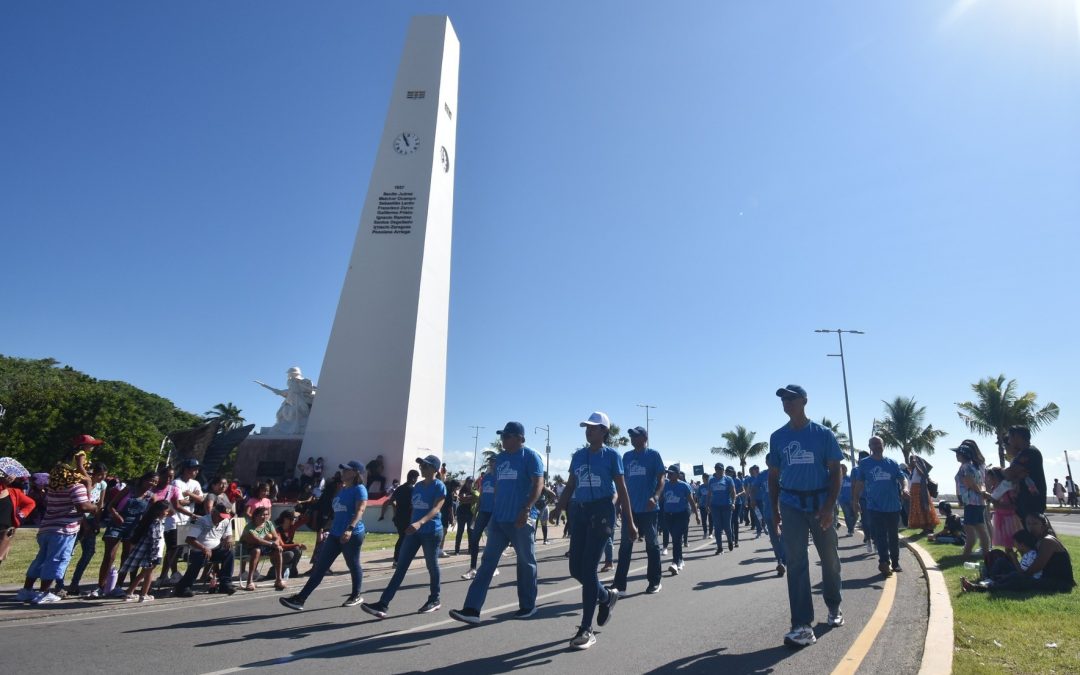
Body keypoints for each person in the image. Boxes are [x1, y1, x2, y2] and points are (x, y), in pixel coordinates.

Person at [551, 411, 637, 651]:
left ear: (604, 431)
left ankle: (586, 629)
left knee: (588, 568)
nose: (589, 431)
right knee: (575, 568)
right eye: (587, 427)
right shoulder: (578, 456)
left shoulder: (612, 456)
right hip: (580, 510)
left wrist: (630, 523)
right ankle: (606, 596)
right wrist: (558, 508)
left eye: (594, 427)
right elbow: (570, 485)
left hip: (602, 511)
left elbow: (622, 489)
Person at [768, 384, 845, 648]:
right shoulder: (777, 437)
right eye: (783, 399)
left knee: (829, 558)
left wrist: (829, 506)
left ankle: (834, 606)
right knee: (796, 562)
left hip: (820, 503)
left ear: (804, 401)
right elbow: (774, 476)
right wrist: (775, 509)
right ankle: (802, 625)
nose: (785, 403)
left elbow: (836, 471)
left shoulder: (823, 435)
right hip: (790, 504)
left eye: (790, 398)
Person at [449, 421, 545, 625]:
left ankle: (528, 605)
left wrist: (526, 508)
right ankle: (472, 609)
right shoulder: (500, 460)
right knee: (487, 564)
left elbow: (538, 484)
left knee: (526, 563)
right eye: (502, 436)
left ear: (520, 438)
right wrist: (492, 513)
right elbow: (499, 488)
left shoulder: (531, 457)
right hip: (499, 520)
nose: (503, 439)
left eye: (507, 436)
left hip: (521, 519)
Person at [362, 454, 446, 618]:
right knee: (401, 567)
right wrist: (411, 523)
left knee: (432, 565)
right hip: (414, 532)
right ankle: (383, 604)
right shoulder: (418, 486)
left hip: (431, 532)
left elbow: (436, 509)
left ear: (434, 469)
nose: (422, 468)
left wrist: (420, 523)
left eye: (425, 466)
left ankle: (434, 599)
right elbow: (415, 508)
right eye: (421, 465)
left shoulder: (439, 486)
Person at [280, 461, 368, 609]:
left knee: (353, 564)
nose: (342, 472)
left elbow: (360, 510)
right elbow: (337, 513)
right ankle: (300, 599)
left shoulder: (359, 489)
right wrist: (325, 527)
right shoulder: (343, 490)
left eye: (346, 470)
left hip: (352, 534)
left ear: (355, 473)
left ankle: (356, 595)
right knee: (320, 566)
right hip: (334, 534)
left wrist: (350, 528)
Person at [17, 472, 97, 604]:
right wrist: (95, 506)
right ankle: (44, 592)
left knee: (41, 559)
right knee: (56, 560)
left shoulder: (55, 488)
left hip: (47, 528)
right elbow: (83, 506)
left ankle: (27, 590)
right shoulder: (77, 487)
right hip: (63, 530)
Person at [612, 426, 666, 594]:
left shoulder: (653, 455)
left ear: (645, 437)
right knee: (625, 547)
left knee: (652, 545)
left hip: (649, 510)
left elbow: (662, 479)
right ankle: (619, 586)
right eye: (631, 436)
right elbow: (623, 484)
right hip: (630, 510)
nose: (632, 438)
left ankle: (655, 581)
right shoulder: (626, 457)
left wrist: (655, 496)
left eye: (635, 436)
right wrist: (617, 504)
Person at [89, 470, 160, 598]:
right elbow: (111, 505)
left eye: (155, 482)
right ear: (144, 479)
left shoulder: (151, 496)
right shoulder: (130, 489)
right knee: (110, 555)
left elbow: (155, 512)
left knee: (126, 558)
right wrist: (116, 515)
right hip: (117, 523)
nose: (152, 484)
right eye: (151, 480)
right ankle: (101, 586)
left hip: (134, 527)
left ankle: (118, 586)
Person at [961, 513, 1074, 593]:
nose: (1031, 527)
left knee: (1018, 579)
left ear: (1044, 525)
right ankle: (988, 582)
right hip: (1043, 576)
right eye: (1028, 524)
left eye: (1035, 523)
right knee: (1005, 565)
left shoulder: (1047, 541)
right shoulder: (1038, 541)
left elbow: (1031, 571)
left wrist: (1011, 573)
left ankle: (982, 588)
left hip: (1059, 582)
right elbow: (1028, 566)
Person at [852, 436, 907, 577]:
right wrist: (855, 500)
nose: (877, 446)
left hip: (893, 506)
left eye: (879, 443)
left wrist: (905, 488)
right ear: (870, 447)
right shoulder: (864, 464)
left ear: (883, 445)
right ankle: (884, 561)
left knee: (893, 536)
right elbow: (859, 482)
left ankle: (895, 562)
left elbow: (902, 477)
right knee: (881, 536)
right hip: (874, 506)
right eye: (874, 444)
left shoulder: (892, 463)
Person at [174, 503, 237, 597]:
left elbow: (228, 535)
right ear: (214, 512)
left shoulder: (226, 521)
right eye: (220, 516)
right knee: (201, 557)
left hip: (215, 549)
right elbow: (190, 539)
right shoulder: (202, 521)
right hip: (197, 550)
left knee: (229, 552)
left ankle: (225, 584)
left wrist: (229, 539)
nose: (222, 518)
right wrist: (203, 548)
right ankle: (183, 587)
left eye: (225, 516)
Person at [119, 499, 169, 602]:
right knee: (146, 572)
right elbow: (155, 539)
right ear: (159, 511)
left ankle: (134, 593)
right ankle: (141, 594)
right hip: (153, 552)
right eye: (166, 510)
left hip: (150, 551)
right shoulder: (155, 523)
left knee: (146, 573)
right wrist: (154, 554)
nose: (167, 512)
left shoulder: (153, 521)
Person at [951, 440, 991, 557]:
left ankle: (966, 554)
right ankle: (986, 554)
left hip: (972, 501)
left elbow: (970, 483)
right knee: (980, 528)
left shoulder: (966, 467)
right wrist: (982, 493)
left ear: (963, 455)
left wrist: (981, 492)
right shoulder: (974, 465)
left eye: (958, 454)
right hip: (979, 502)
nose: (956, 456)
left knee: (970, 531)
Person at [461, 457, 498, 580]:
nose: (491, 464)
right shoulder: (485, 478)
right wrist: (475, 515)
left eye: (493, 461)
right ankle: (473, 568)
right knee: (474, 539)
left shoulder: (499, 478)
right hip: (482, 512)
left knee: (492, 541)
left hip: (493, 513)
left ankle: (493, 567)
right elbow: (481, 497)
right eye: (490, 462)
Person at [1001, 425, 1046, 521]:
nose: (1008, 441)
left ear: (1017, 437)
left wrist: (1004, 471)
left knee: (1033, 532)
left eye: (1010, 437)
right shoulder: (1024, 453)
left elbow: (1009, 473)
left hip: (1032, 501)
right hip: (1025, 500)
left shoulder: (1029, 452)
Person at [661, 465, 698, 576]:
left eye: (671, 473)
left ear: (677, 474)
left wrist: (697, 515)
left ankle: (674, 563)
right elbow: (661, 498)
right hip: (668, 515)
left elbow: (691, 501)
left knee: (676, 538)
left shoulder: (684, 486)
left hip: (681, 515)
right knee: (676, 539)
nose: (669, 475)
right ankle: (680, 560)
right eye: (668, 473)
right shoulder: (665, 486)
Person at [0, 466, 37, 572]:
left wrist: (21, 515)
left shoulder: (14, 492)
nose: (11, 477)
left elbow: (31, 503)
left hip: (5, 533)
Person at [241, 506, 287, 591]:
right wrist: (271, 543)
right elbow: (257, 540)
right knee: (256, 551)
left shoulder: (268, 524)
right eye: (262, 515)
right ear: (255, 516)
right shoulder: (250, 526)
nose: (265, 517)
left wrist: (276, 544)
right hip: (248, 548)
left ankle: (278, 579)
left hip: (265, 546)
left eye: (266, 514)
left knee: (278, 550)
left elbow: (276, 537)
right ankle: (249, 581)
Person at [984, 467, 1022, 554]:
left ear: (996, 477)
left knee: (1017, 542)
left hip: (1010, 519)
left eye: (990, 478)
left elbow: (1013, 505)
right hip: (1000, 517)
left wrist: (994, 501)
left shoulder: (1008, 489)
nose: (988, 480)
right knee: (1007, 544)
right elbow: (996, 503)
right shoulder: (996, 489)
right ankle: (1010, 560)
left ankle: (1023, 560)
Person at [264, 509, 305, 580]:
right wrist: (297, 544)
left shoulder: (292, 527)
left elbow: (306, 519)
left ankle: (292, 569)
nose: (295, 520)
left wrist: (298, 513)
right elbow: (282, 546)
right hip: (277, 556)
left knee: (297, 550)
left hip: (287, 552)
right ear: (286, 519)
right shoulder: (277, 531)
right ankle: (275, 570)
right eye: (293, 518)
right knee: (291, 553)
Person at [389, 470, 418, 566]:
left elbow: (391, 501)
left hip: (398, 517)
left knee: (402, 537)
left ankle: (398, 559)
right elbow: (415, 504)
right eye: (416, 478)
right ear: (413, 478)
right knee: (404, 538)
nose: (416, 481)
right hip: (408, 517)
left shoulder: (399, 488)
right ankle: (398, 559)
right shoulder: (412, 490)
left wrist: (396, 508)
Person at [707, 463, 736, 553]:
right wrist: (708, 505)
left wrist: (733, 503)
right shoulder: (711, 480)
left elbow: (733, 492)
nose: (718, 471)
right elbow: (709, 493)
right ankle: (719, 547)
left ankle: (730, 541)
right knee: (717, 527)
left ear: (723, 470)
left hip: (726, 505)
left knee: (727, 526)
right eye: (717, 469)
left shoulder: (728, 479)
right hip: (715, 506)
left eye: (720, 469)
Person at [906, 455, 939, 534]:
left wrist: (916, 464)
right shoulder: (913, 470)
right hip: (914, 491)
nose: (911, 462)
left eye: (912, 460)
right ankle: (924, 527)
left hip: (920, 490)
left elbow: (923, 474)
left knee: (923, 507)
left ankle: (929, 527)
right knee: (918, 509)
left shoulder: (919, 468)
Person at [836, 464, 855, 536]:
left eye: (844, 469)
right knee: (847, 515)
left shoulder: (850, 479)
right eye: (841, 469)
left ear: (846, 470)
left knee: (854, 515)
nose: (842, 470)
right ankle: (850, 530)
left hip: (852, 500)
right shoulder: (838, 480)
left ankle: (852, 527)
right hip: (842, 501)